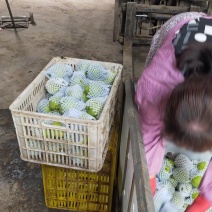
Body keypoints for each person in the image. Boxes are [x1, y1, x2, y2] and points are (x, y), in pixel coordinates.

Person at [135, 12, 212, 211]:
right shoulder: (155, 86)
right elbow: (148, 137)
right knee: (150, 119)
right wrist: (149, 189)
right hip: (184, 28)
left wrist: (198, 205)